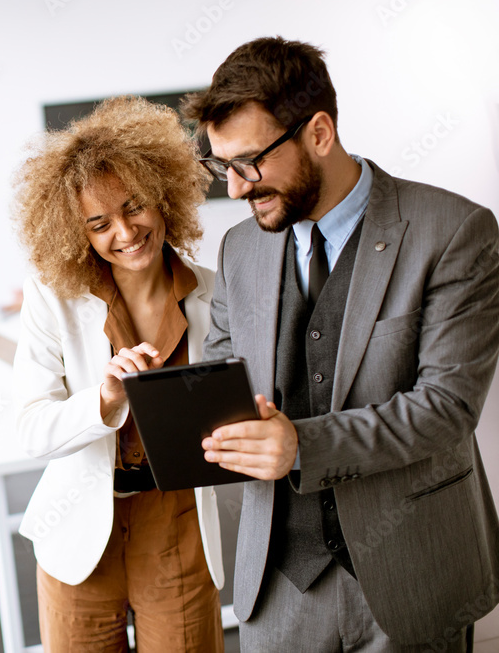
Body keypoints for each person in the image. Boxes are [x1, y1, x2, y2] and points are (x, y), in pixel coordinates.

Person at [183, 37, 499, 651]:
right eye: (222, 167)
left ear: (319, 133)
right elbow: (222, 377)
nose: (236, 190)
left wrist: (301, 443)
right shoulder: (240, 250)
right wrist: (159, 388)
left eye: (249, 163)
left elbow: (448, 408)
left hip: (412, 573)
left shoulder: (455, 231)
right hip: (277, 584)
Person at [12, 95, 224, 651]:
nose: (125, 232)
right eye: (99, 223)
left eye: (134, 207)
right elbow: (31, 429)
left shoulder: (215, 292)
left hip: (177, 520)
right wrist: (103, 401)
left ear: (162, 196)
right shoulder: (51, 298)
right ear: (75, 231)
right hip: (78, 525)